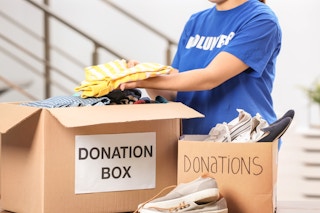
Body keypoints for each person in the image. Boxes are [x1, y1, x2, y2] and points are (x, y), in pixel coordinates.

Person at [120, 0, 282, 140]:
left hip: (242, 143)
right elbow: (173, 92)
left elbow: (211, 78)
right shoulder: (196, 21)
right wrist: (144, 74)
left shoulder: (261, 20)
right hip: (192, 141)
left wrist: (147, 79)